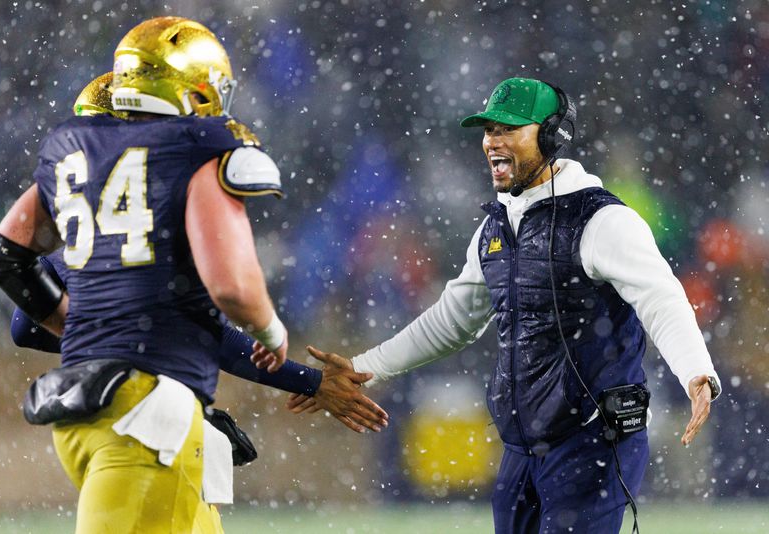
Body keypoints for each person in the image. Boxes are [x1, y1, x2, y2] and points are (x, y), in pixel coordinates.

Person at [0, 17, 380, 534]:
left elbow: (10, 270)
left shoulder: (83, 173)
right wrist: (276, 344)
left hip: (111, 413)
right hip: (147, 418)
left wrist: (112, 340)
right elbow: (227, 297)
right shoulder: (188, 158)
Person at [286, 77, 722, 533]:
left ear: (552, 135)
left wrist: (696, 370)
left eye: (509, 129)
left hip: (593, 439)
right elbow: (452, 320)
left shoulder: (603, 221)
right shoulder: (496, 226)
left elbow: (660, 297)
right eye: (489, 130)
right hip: (523, 448)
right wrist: (363, 368)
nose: (493, 141)